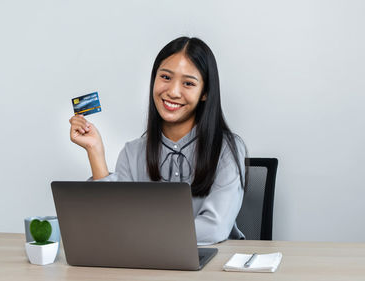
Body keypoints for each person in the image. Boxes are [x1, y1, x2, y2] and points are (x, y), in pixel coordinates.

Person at [69, 37, 248, 245]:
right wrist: (95, 151)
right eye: (165, 77)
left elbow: (214, 228)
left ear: (204, 93)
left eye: (188, 83)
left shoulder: (227, 149)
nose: (172, 91)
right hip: (147, 267)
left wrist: (136, 231)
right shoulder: (132, 152)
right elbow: (112, 220)